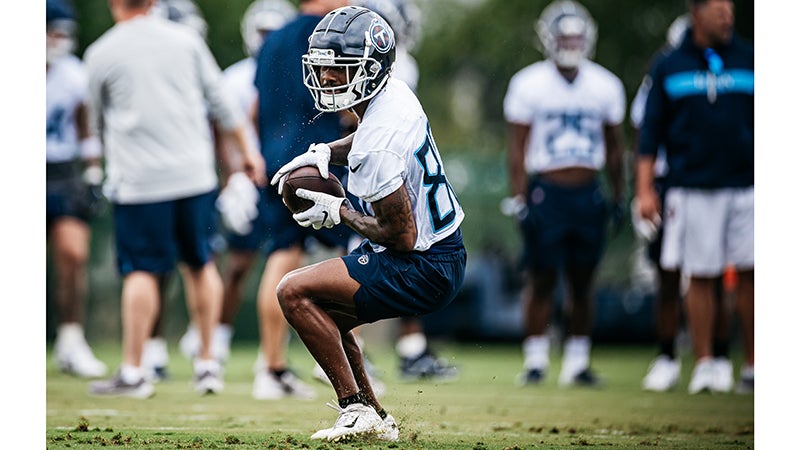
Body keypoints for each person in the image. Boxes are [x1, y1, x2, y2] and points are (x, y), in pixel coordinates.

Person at [269, 5, 466, 441]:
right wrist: (324, 152)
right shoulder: (393, 93)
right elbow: (366, 135)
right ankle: (375, 414)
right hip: (441, 251)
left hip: (424, 264)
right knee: (323, 306)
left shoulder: (378, 147)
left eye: (339, 70)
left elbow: (400, 236)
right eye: (322, 69)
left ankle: (355, 408)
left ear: (371, 68)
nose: (326, 80)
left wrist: (338, 211)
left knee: (293, 291)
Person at [83, 0, 265, 398]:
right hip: (194, 175)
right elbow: (221, 104)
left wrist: (96, 169)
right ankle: (207, 365)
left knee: (142, 272)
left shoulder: (101, 52)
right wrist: (248, 154)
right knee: (201, 265)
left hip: (139, 182)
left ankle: (134, 372)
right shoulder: (185, 41)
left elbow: (95, 122)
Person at [502, 0, 625, 388]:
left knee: (583, 280)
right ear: (548, 39)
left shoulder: (605, 84)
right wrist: (520, 197)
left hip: (588, 192)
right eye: (564, 35)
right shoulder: (528, 83)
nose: (570, 43)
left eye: (576, 36)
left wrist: (620, 196)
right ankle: (536, 359)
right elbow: (517, 149)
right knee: (541, 277)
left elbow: (615, 148)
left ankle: (577, 361)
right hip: (546, 192)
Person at [335, 0, 459, 383]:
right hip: (397, 175)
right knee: (378, 256)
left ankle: (359, 351)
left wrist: (340, 205)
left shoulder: (397, 72)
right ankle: (398, 349)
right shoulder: (402, 70)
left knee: (377, 251)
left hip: (385, 169)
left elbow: (361, 123)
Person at [636, 0, 753, 395]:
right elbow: (648, 133)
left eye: (731, 7)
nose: (728, 15)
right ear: (696, 12)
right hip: (691, 186)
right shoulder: (668, 65)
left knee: (754, 273)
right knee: (699, 275)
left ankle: (753, 365)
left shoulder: (750, 58)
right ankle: (702, 362)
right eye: (718, 7)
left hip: (749, 183)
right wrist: (644, 188)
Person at [178, 0, 297, 368]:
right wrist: (232, 179)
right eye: (263, 31)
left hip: (285, 176)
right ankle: (218, 335)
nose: (268, 39)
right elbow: (221, 131)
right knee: (239, 263)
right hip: (248, 179)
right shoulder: (235, 77)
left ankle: (275, 353)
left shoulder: (297, 73)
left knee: (290, 265)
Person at [248, 0, 352, 401]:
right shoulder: (336, 34)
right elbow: (346, 105)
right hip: (323, 160)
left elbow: (256, 108)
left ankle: (271, 368)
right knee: (348, 259)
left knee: (281, 254)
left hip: (278, 162)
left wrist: (261, 154)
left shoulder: (274, 39)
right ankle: (337, 362)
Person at [46, 0, 108, 379]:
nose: (61, 39)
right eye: (54, 30)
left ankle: (70, 338)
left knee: (73, 255)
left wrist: (93, 175)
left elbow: (87, 129)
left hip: (63, 170)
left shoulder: (74, 74)